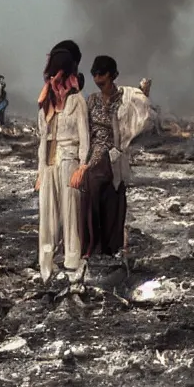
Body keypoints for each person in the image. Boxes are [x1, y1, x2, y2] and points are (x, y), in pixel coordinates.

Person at [36, 55, 89, 282]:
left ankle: (72, 263)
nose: (55, 81)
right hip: (49, 164)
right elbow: (42, 139)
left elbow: (85, 137)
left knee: (71, 214)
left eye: (58, 76)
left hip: (70, 162)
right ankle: (45, 268)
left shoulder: (77, 102)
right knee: (46, 218)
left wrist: (82, 167)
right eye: (51, 76)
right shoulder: (45, 105)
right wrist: (40, 172)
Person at [77, 55, 131, 261]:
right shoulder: (92, 100)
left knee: (114, 205)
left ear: (112, 75)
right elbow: (86, 131)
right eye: (95, 74)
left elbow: (135, 126)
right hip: (94, 160)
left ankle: (111, 250)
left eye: (102, 74)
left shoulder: (124, 100)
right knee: (90, 205)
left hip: (115, 159)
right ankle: (92, 248)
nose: (98, 79)